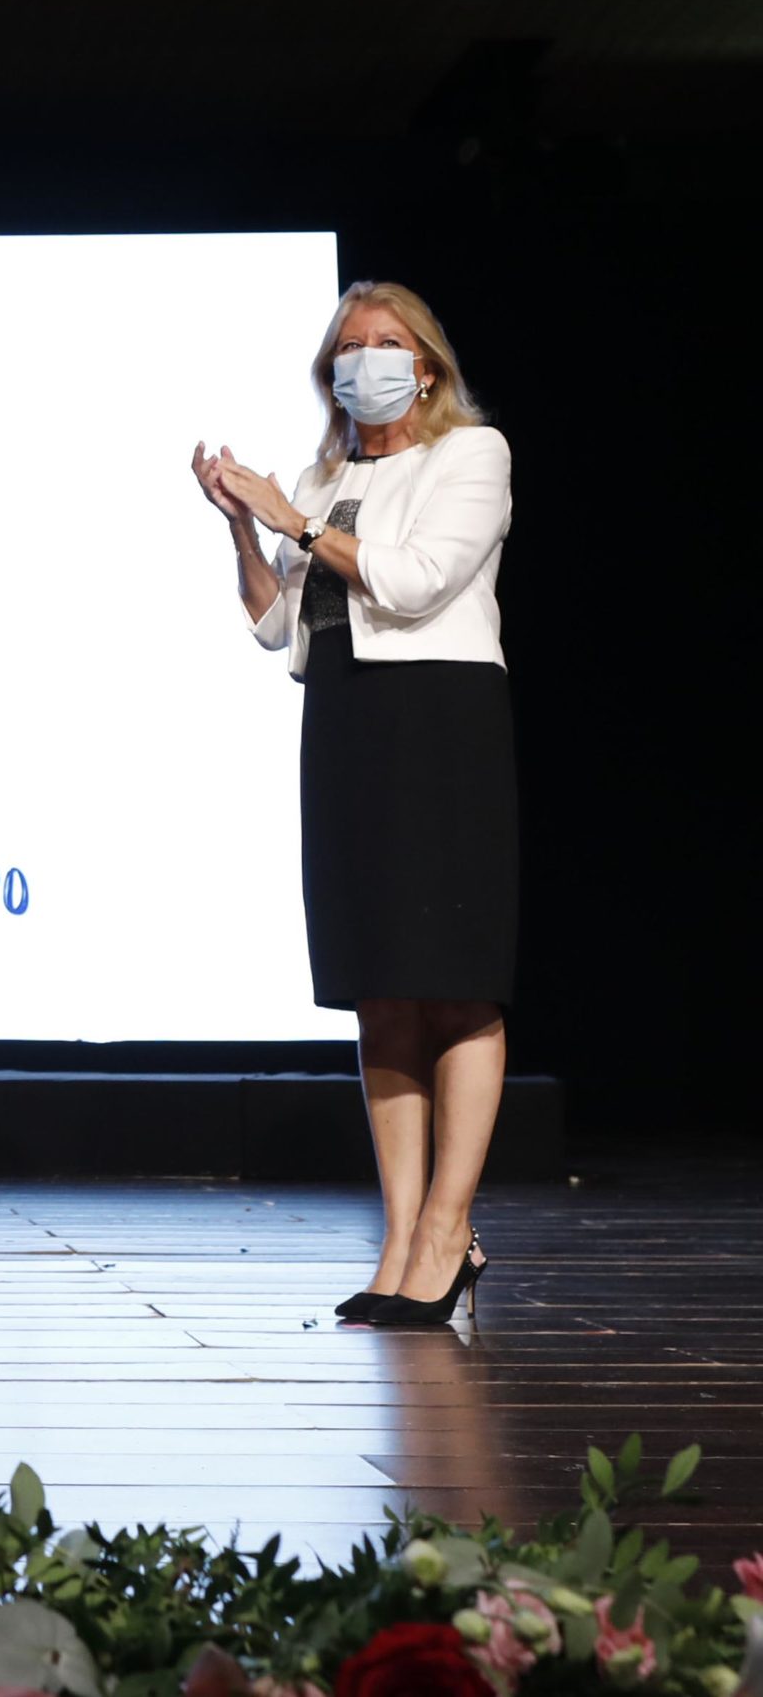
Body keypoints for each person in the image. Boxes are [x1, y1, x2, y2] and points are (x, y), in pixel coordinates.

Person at [193, 278, 515, 1326]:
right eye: (346, 345)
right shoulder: (324, 476)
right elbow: (278, 624)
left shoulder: (472, 454)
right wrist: (245, 533)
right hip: (344, 722)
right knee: (379, 987)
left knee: (454, 982)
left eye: (383, 342)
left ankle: (448, 1230)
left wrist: (291, 519)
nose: (361, 359)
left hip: (440, 722)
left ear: (424, 365)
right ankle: (401, 1236)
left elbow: (415, 583)